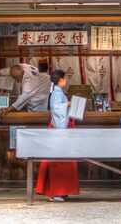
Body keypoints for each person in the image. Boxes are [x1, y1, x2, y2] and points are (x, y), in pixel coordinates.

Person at [35, 69, 80, 202]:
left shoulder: (57, 92)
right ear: (61, 80)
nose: (66, 81)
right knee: (59, 162)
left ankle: (60, 191)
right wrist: (68, 104)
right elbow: (57, 110)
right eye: (65, 79)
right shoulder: (57, 93)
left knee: (60, 161)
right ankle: (57, 191)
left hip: (59, 129)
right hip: (59, 130)